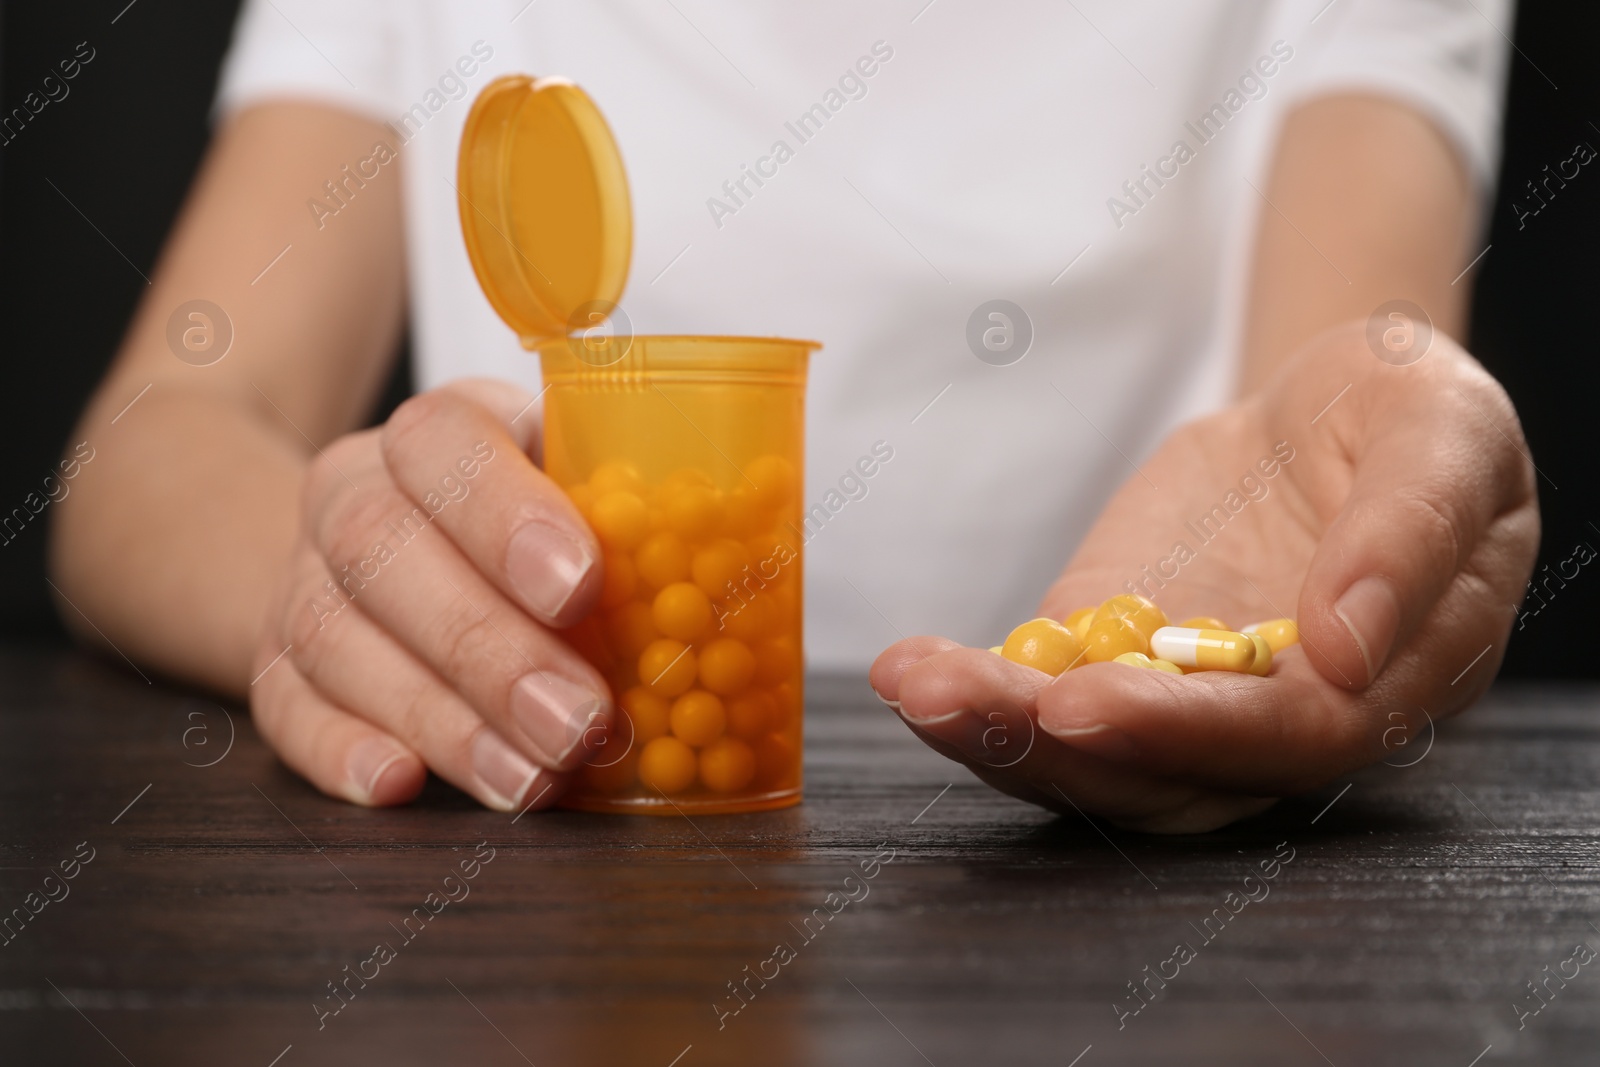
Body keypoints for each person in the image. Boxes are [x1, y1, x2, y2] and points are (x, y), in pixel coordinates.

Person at [49, 0, 1537, 831]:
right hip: (558, 835)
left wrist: (1358, 467)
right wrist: (354, 585)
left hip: (1085, 888)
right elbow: (166, 437)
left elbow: (1343, 369)